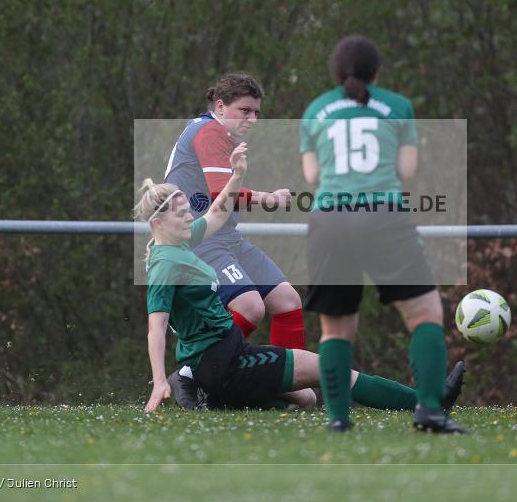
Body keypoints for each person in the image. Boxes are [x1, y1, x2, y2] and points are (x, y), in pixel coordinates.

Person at [137, 143, 463, 416]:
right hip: (221, 363)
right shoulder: (165, 265)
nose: (189, 217)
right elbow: (157, 327)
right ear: (158, 222)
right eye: (181, 213)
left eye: (187, 210)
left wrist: (236, 175)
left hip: (226, 356)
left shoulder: (182, 241)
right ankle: (430, 401)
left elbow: (217, 213)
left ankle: (224, 402)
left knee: (306, 398)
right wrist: (158, 381)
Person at [299, 35, 466, 433]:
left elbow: (312, 176)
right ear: (376, 72)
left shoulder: (316, 110)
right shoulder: (397, 106)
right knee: (424, 314)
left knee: (335, 329)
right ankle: (429, 410)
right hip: (381, 216)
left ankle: (339, 420)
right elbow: (406, 171)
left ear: (337, 73)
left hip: (328, 221)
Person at [163, 72, 305, 407]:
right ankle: (191, 374)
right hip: (198, 240)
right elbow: (218, 194)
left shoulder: (220, 134)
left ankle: (277, 383)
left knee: (287, 302)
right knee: (251, 306)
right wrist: (269, 198)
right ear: (220, 105)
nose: (253, 119)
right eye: (245, 110)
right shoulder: (210, 130)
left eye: (257, 112)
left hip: (226, 238)